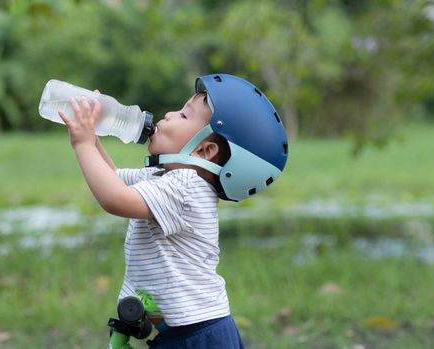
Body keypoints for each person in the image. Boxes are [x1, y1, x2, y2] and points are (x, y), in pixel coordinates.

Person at [59, 74, 288, 348]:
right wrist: (93, 135)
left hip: (198, 336)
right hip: (192, 333)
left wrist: (83, 144)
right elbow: (112, 178)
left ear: (204, 150)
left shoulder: (186, 188)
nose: (168, 114)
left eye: (183, 115)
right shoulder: (162, 178)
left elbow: (115, 199)